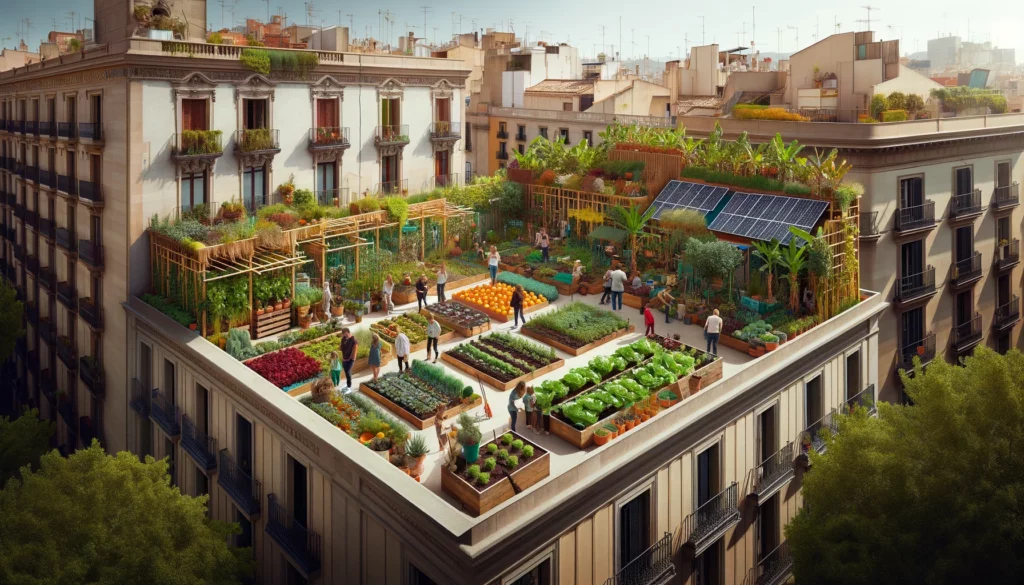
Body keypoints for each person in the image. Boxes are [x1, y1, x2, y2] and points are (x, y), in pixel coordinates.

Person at [339, 328, 358, 393]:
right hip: (344, 358)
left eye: (344, 333)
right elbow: (341, 347)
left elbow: (355, 349)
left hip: (350, 359)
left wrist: (352, 358)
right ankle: (348, 384)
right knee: (346, 372)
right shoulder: (343, 339)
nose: (343, 335)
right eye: (343, 334)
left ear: (347, 332)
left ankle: (349, 386)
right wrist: (340, 346)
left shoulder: (353, 340)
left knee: (348, 371)